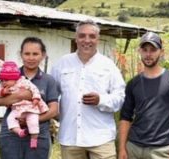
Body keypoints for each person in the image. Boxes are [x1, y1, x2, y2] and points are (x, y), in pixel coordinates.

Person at [51, 19, 126, 159]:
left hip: (101, 138)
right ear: (76, 38)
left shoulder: (108, 66)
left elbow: (120, 97)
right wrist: (56, 110)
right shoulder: (62, 64)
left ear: (98, 39)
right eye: (82, 35)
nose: (87, 40)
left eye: (92, 36)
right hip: (70, 137)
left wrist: (101, 100)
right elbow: (51, 95)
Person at [118, 32, 169, 159]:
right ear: (139, 51)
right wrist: (122, 147)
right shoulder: (133, 83)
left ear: (161, 52)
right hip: (133, 148)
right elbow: (125, 117)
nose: (148, 54)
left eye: (153, 50)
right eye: (145, 50)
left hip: (161, 150)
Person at [0, 37, 60, 159]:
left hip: (38, 135)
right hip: (11, 133)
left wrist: (33, 119)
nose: (31, 58)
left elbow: (54, 110)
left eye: (35, 54)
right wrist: (21, 95)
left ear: (43, 55)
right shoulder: (10, 75)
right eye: (27, 54)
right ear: (21, 55)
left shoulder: (48, 80)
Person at [0, 60, 50, 149]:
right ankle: (19, 131)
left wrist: (36, 98)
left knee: (33, 121)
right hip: (16, 109)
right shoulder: (3, 86)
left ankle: (34, 139)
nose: (3, 82)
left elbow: (34, 89)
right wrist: (3, 92)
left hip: (30, 107)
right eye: (2, 80)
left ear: (14, 78)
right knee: (10, 119)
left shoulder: (23, 81)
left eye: (6, 80)